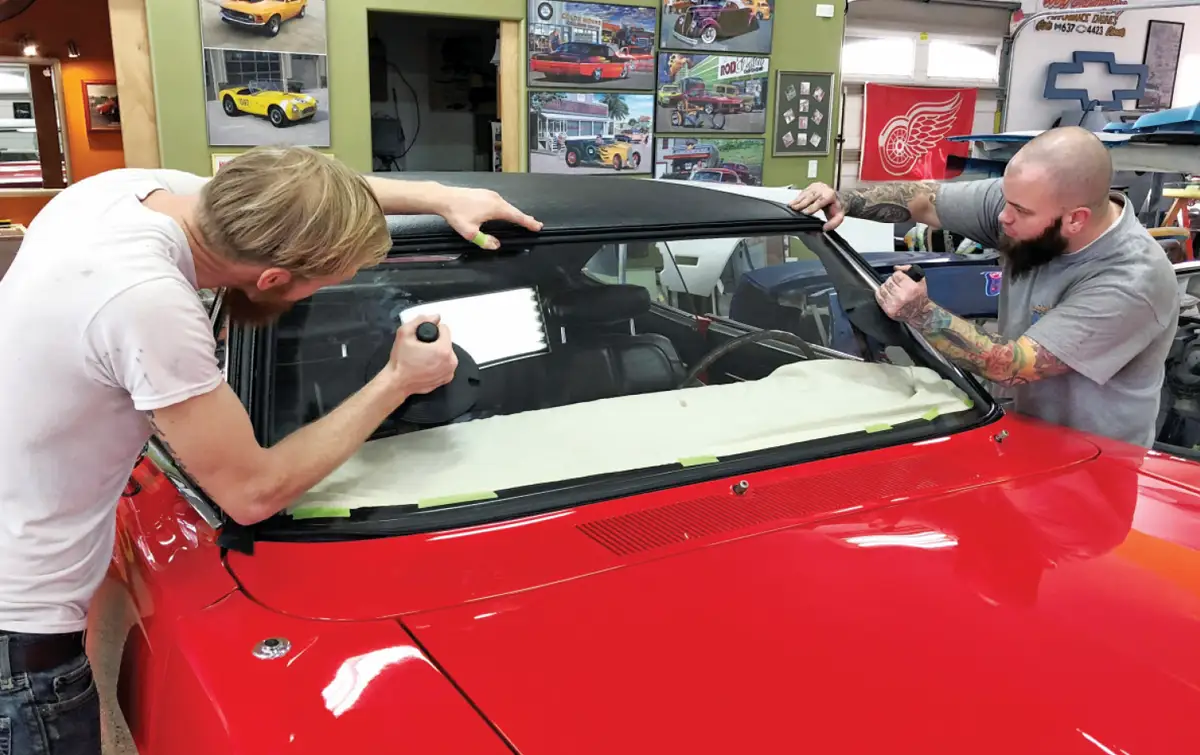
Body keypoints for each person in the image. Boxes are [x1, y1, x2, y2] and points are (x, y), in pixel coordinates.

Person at [0, 146, 542, 754]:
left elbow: (300, 190)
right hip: (21, 622)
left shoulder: (115, 194)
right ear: (273, 281)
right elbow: (252, 494)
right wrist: (399, 381)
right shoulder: (149, 303)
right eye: (327, 286)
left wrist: (440, 196)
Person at [789, 126, 1178, 448]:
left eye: (1020, 211)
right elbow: (924, 201)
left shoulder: (1132, 279)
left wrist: (922, 313)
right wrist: (844, 200)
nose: (1002, 217)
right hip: (1016, 434)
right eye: (1007, 201)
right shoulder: (1024, 204)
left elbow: (1012, 366)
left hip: (1097, 461)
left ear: (1075, 220)